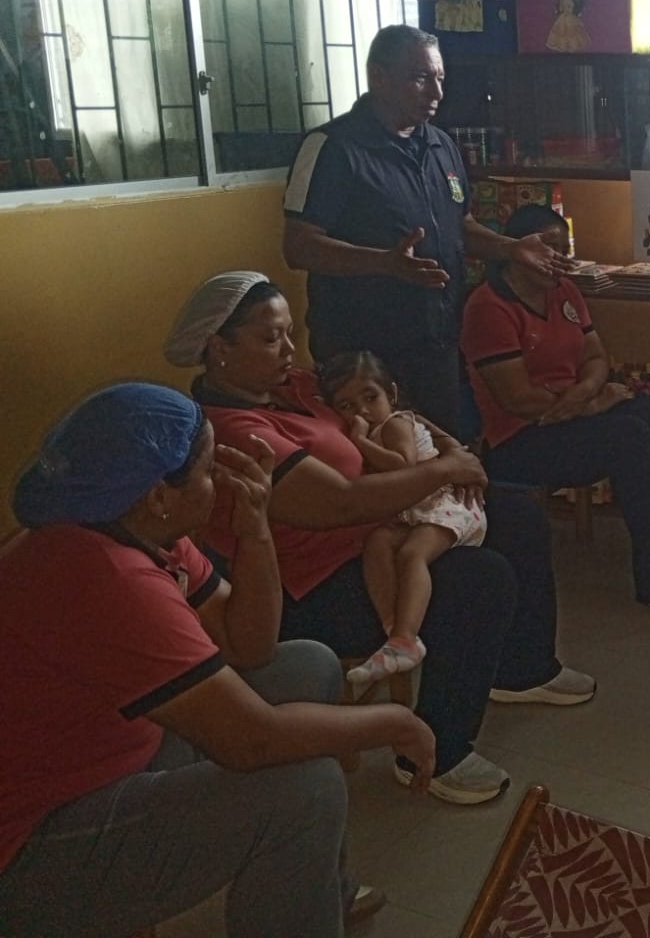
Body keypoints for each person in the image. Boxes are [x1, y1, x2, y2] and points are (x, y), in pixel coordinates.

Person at [0, 383, 431, 937]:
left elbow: (249, 645)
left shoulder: (136, 526)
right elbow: (250, 741)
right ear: (159, 494)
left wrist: (256, 530)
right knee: (305, 791)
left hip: (108, 751)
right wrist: (393, 722)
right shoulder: (103, 575)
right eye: (208, 470)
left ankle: (318, 888)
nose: (220, 482)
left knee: (307, 665)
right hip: (34, 840)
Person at [166, 271, 596, 808]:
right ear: (218, 350)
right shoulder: (235, 430)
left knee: (517, 518)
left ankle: (522, 670)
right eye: (271, 338)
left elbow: (390, 415)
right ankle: (435, 751)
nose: (290, 350)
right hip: (316, 583)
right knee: (478, 580)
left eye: (290, 333)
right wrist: (444, 472)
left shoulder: (296, 388)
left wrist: (449, 450)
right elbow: (340, 502)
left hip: (385, 526)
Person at [460, 202, 650, 622]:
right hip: (519, 438)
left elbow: (595, 355)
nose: (559, 258)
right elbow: (519, 400)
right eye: (549, 247)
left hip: (567, 412)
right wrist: (592, 402)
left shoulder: (564, 291)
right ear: (518, 249)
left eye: (564, 248)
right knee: (628, 438)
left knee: (649, 415)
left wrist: (588, 391)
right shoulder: (488, 306)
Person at [282, 24, 570, 435]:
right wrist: (384, 263)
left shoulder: (441, 145)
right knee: (384, 464)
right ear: (379, 77)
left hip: (436, 347)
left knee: (444, 459)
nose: (436, 93)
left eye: (440, 79)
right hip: (363, 356)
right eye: (420, 78)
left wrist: (511, 249)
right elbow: (298, 246)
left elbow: (460, 226)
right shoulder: (331, 147)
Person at [318, 350, 488, 686]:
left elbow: (402, 466)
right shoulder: (377, 426)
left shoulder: (396, 423)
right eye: (347, 405)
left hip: (446, 504)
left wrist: (359, 440)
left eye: (371, 397)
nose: (362, 410)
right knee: (378, 542)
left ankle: (405, 637)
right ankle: (393, 629)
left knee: (412, 554)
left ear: (391, 394)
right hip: (415, 510)